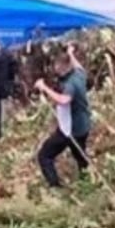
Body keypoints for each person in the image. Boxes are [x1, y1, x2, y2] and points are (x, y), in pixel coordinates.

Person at [35, 43, 92, 188]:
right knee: (80, 155)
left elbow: (64, 100)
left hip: (69, 130)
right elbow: (78, 66)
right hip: (84, 125)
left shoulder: (70, 85)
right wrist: (71, 53)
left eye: (56, 65)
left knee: (44, 156)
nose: (54, 68)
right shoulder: (79, 74)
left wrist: (44, 88)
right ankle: (86, 183)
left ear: (61, 67)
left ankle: (55, 187)